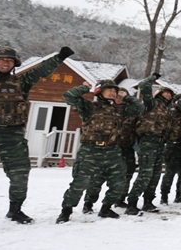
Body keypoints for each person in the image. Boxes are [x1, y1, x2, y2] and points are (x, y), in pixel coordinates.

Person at [0, 45, 73, 230]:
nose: (6, 63)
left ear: (14, 64)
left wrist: (59, 58)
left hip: (13, 136)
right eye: (2, 59)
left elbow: (40, 71)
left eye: (10, 60)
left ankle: (15, 210)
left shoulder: (21, 82)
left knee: (20, 176)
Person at [56, 79, 145, 223]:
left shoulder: (119, 110)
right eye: (109, 90)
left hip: (112, 150)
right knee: (81, 182)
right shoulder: (89, 107)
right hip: (91, 150)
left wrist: (126, 97)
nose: (113, 93)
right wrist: (83, 89)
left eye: (115, 91)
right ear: (99, 92)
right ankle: (66, 211)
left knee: (119, 182)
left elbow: (140, 108)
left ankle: (106, 208)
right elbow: (69, 96)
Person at [83, 87, 138, 214]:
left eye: (122, 97)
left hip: (127, 148)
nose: (120, 99)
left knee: (126, 176)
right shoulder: (109, 110)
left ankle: (119, 199)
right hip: (111, 148)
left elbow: (139, 111)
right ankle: (88, 203)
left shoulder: (131, 112)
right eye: (118, 96)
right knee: (99, 177)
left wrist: (128, 98)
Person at [127, 75, 172, 214]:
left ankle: (148, 201)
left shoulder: (166, 109)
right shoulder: (151, 103)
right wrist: (153, 77)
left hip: (160, 143)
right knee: (145, 174)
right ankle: (132, 203)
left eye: (170, 94)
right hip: (148, 142)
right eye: (166, 93)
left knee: (155, 175)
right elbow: (144, 87)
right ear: (159, 93)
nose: (168, 95)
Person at [160, 95, 181, 205]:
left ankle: (179, 195)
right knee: (169, 173)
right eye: (178, 101)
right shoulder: (170, 113)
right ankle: (164, 196)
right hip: (172, 146)